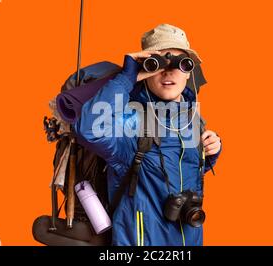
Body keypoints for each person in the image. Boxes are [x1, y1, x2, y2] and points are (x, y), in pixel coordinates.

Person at [73, 24, 221, 246]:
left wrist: (211, 152)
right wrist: (128, 76)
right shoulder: (129, 119)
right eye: (158, 63)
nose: (169, 71)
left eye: (180, 63)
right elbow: (88, 129)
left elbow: (182, 169)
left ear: (189, 70)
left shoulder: (192, 119)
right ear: (146, 67)